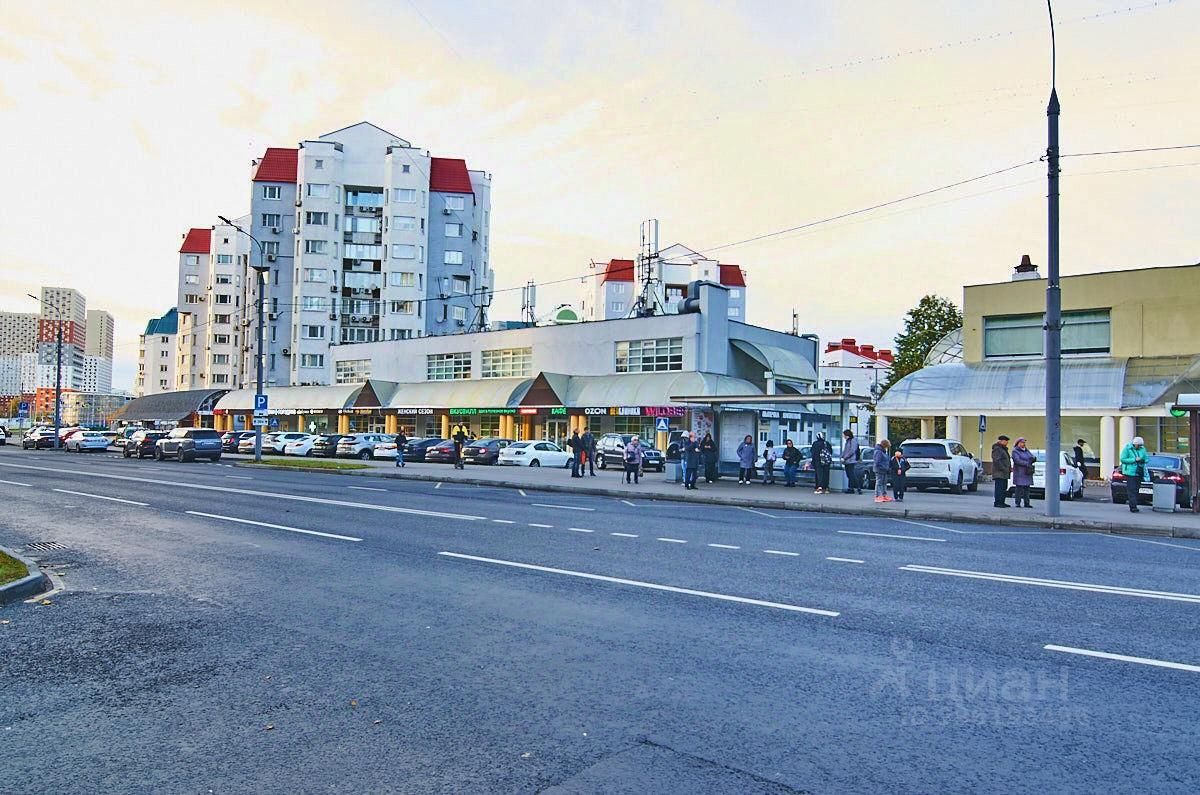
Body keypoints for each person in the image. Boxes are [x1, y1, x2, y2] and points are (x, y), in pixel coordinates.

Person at [1119, 435, 1148, 513]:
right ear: (1135, 444)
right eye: (1138, 445)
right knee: (1131, 489)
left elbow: (1146, 458)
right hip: (1130, 472)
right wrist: (1134, 459)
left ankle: (1134, 504)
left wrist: (1142, 460)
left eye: (1141, 445)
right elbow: (1123, 459)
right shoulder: (1127, 449)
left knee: (1136, 489)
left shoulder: (1142, 449)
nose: (1139, 447)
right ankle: (1133, 506)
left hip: (1139, 472)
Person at [1011, 437, 1035, 508]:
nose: (1023, 444)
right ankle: (1017, 502)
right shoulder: (1015, 451)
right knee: (1019, 488)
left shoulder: (1026, 450)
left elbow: (1031, 457)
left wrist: (1033, 459)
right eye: (1022, 442)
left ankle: (1027, 503)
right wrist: (1027, 463)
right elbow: (1017, 460)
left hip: (1027, 472)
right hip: (1019, 472)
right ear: (1018, 443)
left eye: (1024, 442)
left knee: (1027, 488)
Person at [991, 435, 1012, 508]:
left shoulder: (1003, 449)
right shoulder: (997, 449)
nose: (1007, 443)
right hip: (999, 473)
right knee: (999, 488)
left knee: (1003, 488)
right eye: (1005, 441)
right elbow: (997, 461)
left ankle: (1002, 502)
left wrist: (1008, 468)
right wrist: (1004, 468)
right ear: (1001, 441)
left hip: (1004, 473)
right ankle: (998, 502)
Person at [841, 429, 861, 494]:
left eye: (844, 435)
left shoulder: (853, 441)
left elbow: (852, 451)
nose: (843, 436)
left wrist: (845, 457)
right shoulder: (848, 441)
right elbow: (845, 450)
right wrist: (842, 457)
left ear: (847, 435)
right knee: (849, 475)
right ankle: (851, 488)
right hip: (847, 461)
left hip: (851, 460)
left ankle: (857, 488)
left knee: (851, 475)